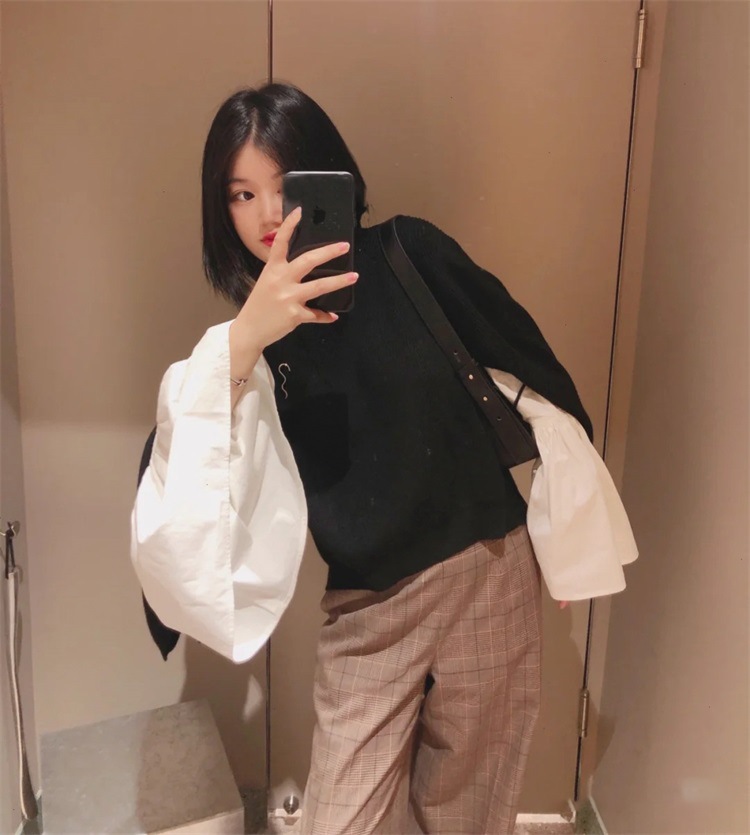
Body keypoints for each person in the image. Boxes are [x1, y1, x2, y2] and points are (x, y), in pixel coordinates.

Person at [133, 82, 594, 835]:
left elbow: (526, 358)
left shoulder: (410, 253)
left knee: (469, 814)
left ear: (329, 178)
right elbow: (183, 462)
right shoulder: (246, 347)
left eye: (285, 187)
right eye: (242, 194)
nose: (268, 215)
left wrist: (571, 521)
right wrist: (249, 336)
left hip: (488, 568)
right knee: (342, 820)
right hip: (367, 606)